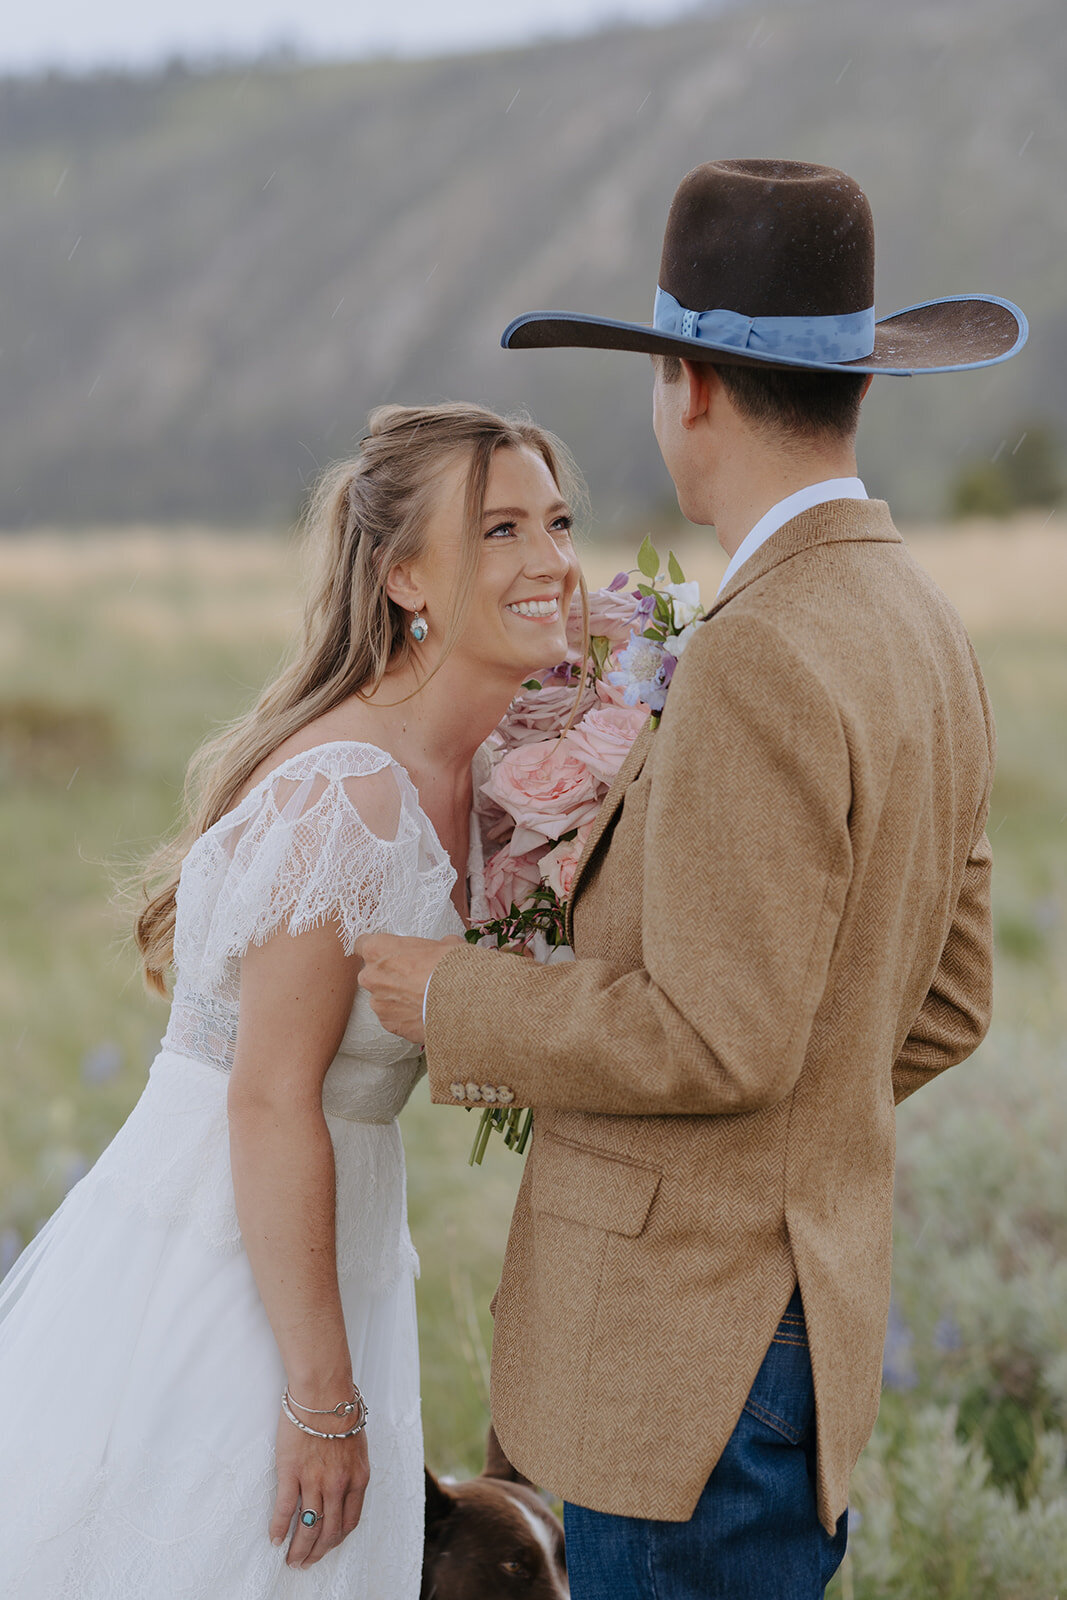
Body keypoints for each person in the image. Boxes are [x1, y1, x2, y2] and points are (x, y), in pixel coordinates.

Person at [354, 160, 1028, 1599]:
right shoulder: (919, 622)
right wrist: (786, 1148)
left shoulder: (761, 648)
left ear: (689, 387)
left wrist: (452, 996)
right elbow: (950, 998)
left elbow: (715, 1032)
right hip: (794, 1342)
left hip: (685, 1367)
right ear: (852, 384)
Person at [0, 401, 583, 1598]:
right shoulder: (351, 793)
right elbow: (267, 1099)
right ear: (406, 577)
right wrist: (320, 1394)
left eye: (558, 522)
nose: (551, 562)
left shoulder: (496, 773)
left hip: (340, 1242)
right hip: (223, 1258)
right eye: (502, 530)